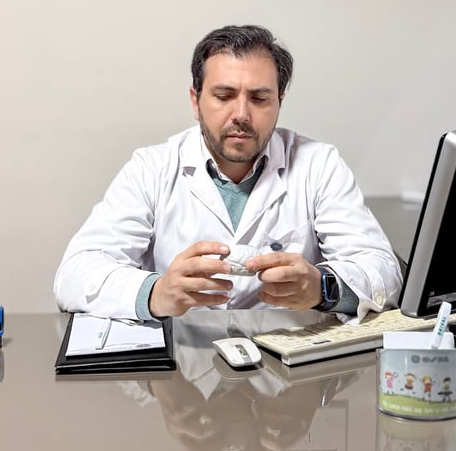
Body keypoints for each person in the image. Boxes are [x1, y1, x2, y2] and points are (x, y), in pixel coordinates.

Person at [54, 25, 401, 321]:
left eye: (259, 98)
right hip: (181, 365)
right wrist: (156, 292)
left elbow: (384, 270)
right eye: (224, 95)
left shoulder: (319, 164)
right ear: (195, 101)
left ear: (279, 101)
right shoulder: (151, 168)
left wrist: (323, 287)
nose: (242, 114)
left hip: (288, 365)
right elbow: (74, 275)